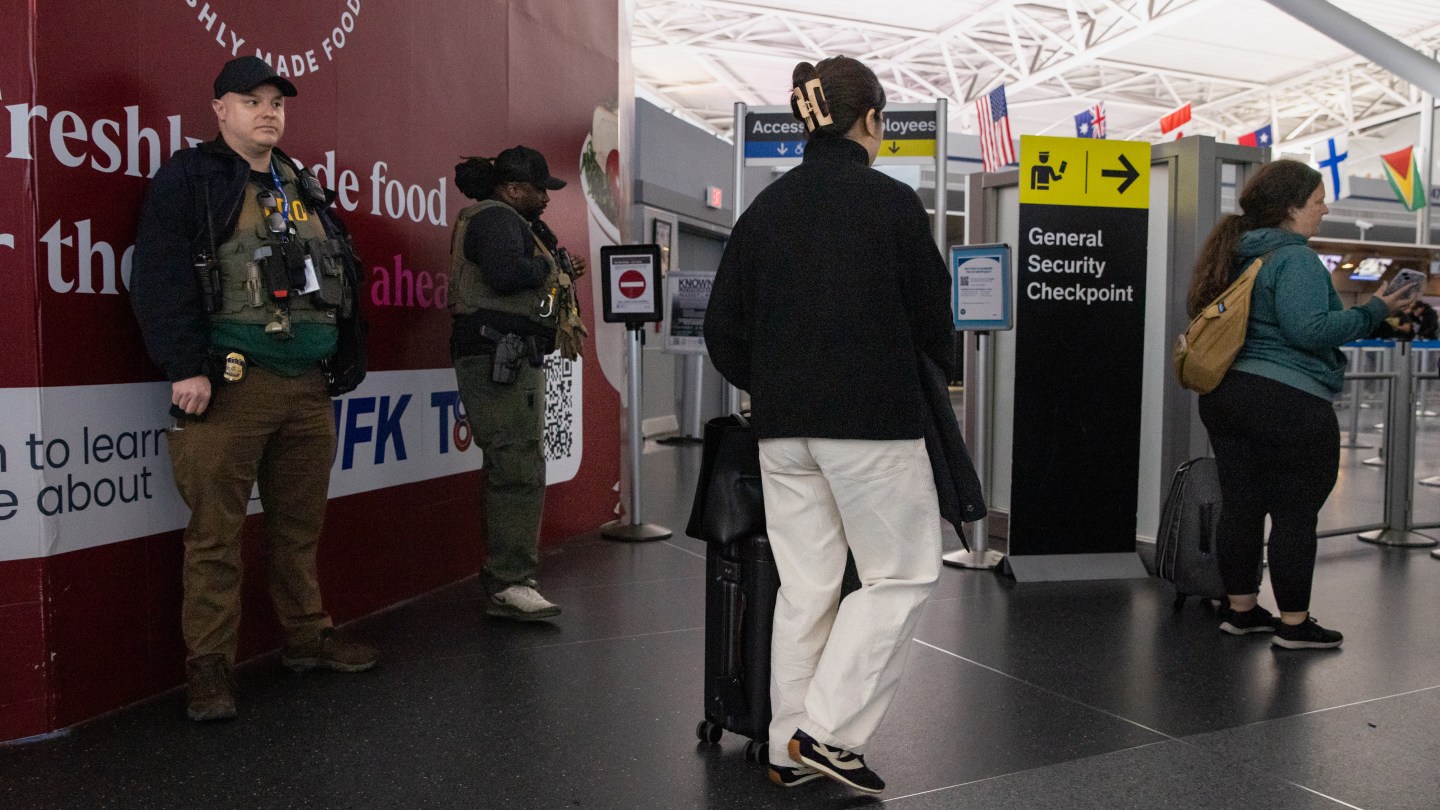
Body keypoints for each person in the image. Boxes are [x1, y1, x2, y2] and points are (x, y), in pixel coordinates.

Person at [704, 56, 953, 794]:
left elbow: (724, 330)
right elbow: (936, 321)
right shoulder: (890, 205)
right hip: (872, 423)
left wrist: (777, 383)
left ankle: (786, 745)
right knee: (901, 574)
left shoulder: (766, 211)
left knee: (807, 587)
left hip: (784, 430)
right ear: (871, 120)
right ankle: (828, 730)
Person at [130, 55, 377, 722]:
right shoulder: (192, 178)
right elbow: (159, 274)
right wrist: (184, 366)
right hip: (230, 386)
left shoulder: (304, 183)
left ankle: (304, 638)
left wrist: (343, 359)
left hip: (306, 388)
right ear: (220, 110)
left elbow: (341, 275)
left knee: (298, 530)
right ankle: (209, 669)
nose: (268, 111)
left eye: (276, 101)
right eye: (251, 100)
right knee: (215, 538)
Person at [1186, 159, 1414, 650]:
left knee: (1242, 508)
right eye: (1317, 201)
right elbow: (1308, 330)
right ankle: (1294, 623)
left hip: (1227, 395)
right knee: (1294, 514)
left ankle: (1241, 611)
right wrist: (1375, 309)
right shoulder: (1295, 259)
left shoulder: (1236, 252)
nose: (1325, 209)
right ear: (1291, 209)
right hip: (1287, 402)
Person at [449, 147, 587, 621]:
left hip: (506, 357)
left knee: (515, 464)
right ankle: (511, 582)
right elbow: (506, 274)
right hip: (497, 356)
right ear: (512, 190)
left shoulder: (507, 222)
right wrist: (553, 270)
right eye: (538, 190)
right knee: (517, 467)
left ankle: (508, 579)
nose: (546, 199)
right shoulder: (497, 220)